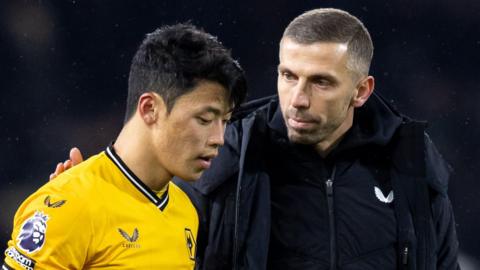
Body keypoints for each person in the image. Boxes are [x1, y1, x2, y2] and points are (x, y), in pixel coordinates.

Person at [49, 8, 460, 270]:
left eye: (320, 82)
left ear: (361, 90)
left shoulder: (409, 160)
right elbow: (161, 234)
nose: (297, 99)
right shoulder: (232, 150)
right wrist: (92, 200)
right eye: (288, 76)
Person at [3, 23, 246, 269]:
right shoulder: (72, 205)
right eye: (204, 119)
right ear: (150, 109)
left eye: (224, 122)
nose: (219, 138)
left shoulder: (184, 211)